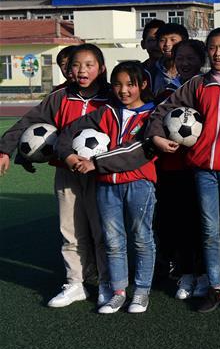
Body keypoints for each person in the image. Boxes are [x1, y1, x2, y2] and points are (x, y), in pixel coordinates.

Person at [148, 28, 220, 313]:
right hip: (203, 170)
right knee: (209, 230)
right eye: (212, 48)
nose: (218, 53)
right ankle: (214, 287)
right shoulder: (197, 84)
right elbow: (161, 110)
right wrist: (157, 136)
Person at [0, 44, 112, 308]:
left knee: (103, 231)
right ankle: (75, 283)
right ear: (68, 69)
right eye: (76, 65)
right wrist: (4, 149)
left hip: (102, 176)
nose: (82, 70)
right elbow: (27, 122)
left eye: (89, 64)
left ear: (102, 68)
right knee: (70, 231)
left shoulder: (112, 98)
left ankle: (108, 283)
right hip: (66, 173)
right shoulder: (60, 98)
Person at [56, 61, 158, 314]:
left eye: (130, 85)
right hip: (106, 186)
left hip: (139, 184)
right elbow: (67, 133)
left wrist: (96, 162)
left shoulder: (153, 115)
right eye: (117, 85)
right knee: (113, 241)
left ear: (142, 85)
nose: (123, 91)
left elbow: (140, 150)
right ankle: (118, 291)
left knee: (142, 238)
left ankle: (142, 291)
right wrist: (69, 156)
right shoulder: (105, 112)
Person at [158, 40, 209, 301]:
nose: (185, 63)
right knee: (180, 223)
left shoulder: (207, 89)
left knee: (203, 223)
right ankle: (185, 273)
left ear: (202, 60)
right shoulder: (166, 92)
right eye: (181, 58)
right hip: (171, 169)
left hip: (201, 167)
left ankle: (204, 274)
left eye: (191, 58)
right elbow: (154, 122)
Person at [146, 23, 188, 96]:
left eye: (173, 40)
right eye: (162, 40)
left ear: (184, 41)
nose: (167, 44)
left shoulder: (193, 71)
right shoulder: (151, 72)